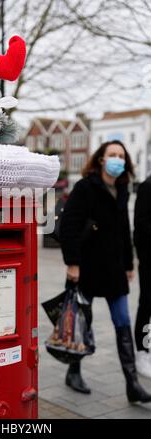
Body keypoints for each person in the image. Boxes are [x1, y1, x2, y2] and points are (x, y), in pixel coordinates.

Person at [59, 140, 151, 403]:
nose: (117, 159)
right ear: (101, 159)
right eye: (112, 154)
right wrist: (72, 263)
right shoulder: (85, 187)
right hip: (85, 268)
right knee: (81, 322)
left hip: (113, 270)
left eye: (121, 156)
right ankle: (73, 372)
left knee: (122, 322)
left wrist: (128, 265)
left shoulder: (122, 188)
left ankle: (132, 384)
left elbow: (123, 230)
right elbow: (69, 226)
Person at [134, 176, 151, 378]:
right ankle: (142, 351)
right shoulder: (147, 186)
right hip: (149, 261)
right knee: (147, 304)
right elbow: (141, 225)